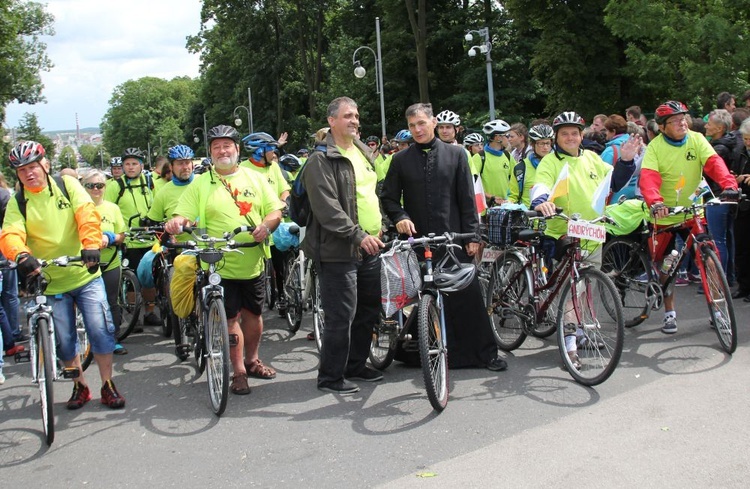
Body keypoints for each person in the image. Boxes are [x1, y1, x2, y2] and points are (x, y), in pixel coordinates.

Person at [381, 102, 508, 372]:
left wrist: (473, 235)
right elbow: (389, 198)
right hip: (418, 241)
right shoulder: (400, 160)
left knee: (466, 294)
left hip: (453, 238)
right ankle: (427, 351)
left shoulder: (457, 154)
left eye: (421, 124)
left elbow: (467, 199)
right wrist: (400, 217)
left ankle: (480, 354)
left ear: (433, 123)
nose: (417, 129)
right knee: (424, 297)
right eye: (412, 125)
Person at [0, 141, 125, 409]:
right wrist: (21, 255)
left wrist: (90, 243)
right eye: (22, 170)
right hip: (50, 279)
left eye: (33, 166)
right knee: (65, 341)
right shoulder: (18, 202)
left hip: (83, 273)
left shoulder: (67, 186)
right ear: (17, 175)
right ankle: (79, 385)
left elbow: (86, 213)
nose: (29, 173)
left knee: (101, 331)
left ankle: (107, 384)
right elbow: (11, 232)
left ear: (45, 165)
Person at [165, 125, 283, 396]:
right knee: (229, 319)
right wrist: (177, 222)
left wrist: (267, 225)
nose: (222, 151)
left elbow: (275, 210)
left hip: (251, 259)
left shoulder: (255, 178)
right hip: (217, 261)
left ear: (237, 149)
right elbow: (183, 214)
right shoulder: (200, 183)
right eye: (216, 147)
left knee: (254, 315)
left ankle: (252, 360)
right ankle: (238, 371)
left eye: (227, 145)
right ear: (210, 152)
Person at [530, 111, 638, 367]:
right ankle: (569, 344)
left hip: (591, 234)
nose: (570, 137)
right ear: (556, 137)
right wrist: (541, 202)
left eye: (575, 133)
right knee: (571, 289)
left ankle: (582, 329)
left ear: (581, 136)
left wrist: (625, 161)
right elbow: (541, 185)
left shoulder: (591, 158)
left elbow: (613, 183)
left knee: (586, 286)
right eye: (564, 133)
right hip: (563, 232)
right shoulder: (550, 161)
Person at [302, 96, 385, 394]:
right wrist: (358, 235)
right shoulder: (320, 160)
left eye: (357, 115)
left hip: (370, 246)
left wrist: (381, 226)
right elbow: (327, 210)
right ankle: (330, 377)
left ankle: (355, 365)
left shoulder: (363, 152)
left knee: (368, 310)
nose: (354, 120)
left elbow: (370, 194)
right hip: (339, 250)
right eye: (347, 115)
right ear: (331, 121)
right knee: (341, 316)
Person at [639, 101, 739, 334]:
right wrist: (656, 202)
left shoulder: (697, 139)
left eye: (683, 118)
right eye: (674, 121)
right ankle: (669, 312)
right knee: (667, 265)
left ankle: (717, 311)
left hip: (692, 211)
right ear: (662, 127)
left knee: (709, 259)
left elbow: (715, 164)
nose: (682, 123)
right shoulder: (655, 147)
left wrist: (729, 185)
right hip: (664, 214)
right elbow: (649, 178)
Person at [104, 147, 159, 326]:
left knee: (150, 279)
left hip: (150, 239)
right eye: (127, 164)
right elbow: (107, 209)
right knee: (132, 278)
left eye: (134, 164)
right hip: (130, 241)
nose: (130, 167)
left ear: (141, 165)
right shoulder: (115, 186)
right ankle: (135, 315)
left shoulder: (150, 182)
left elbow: (158, 203)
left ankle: (150, 312)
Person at [241, 132, 291, 316]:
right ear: (259, 152)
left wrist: (285, 203)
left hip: (276, 223)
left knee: (280, 263)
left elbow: (284, 189)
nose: (274, 153)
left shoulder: (274, 168)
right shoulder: (243, 169)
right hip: (253, 225)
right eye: (271, 149)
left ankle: (282, 296)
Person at [81, 170, 127, 355]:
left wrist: (110, 237)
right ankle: (88, 341)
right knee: (88, 304)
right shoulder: (80, 208)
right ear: (84, 187)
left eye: (99, 185)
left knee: (111, 301)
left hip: (110, 262)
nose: (96, 189)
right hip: (86, 264)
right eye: (91, 185)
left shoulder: (112, 208)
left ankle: (113, 339)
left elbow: (122, 235)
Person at [704, 109, 739, 285]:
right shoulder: (731, 143)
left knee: (717, 240)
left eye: (709, 124)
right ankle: (729, 278)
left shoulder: (717, 149)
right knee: (727, 238)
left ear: (718, 128)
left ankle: (719, 282)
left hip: (717, 196)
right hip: (726, 197)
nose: (705, 126)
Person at [509, 124, 553, 207]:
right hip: (530, 216)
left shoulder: (558, 164)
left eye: (548, 143)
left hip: (555, 216)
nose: (545, 147)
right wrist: (509, 203)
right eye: (541, 144)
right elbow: (513, 196)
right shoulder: (520, 168)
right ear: (533, 145)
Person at [732, 119, 750, 299]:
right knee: (742, 248)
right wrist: (736, 178)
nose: (747, 143)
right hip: (743, 206)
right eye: (745, 139)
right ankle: (744, 286)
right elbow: (732, 173)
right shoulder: (740, 152)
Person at [480, 119, 513, 205]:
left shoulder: (507, 156)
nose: (509, 139)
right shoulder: (480, 157)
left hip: (505, 206)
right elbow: (472, 185)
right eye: (507, 135)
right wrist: (491, 197)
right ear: (498, 137)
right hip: (486, 207)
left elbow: (516, 180)